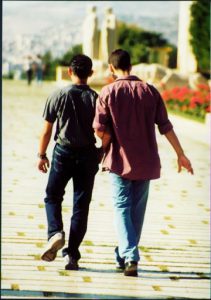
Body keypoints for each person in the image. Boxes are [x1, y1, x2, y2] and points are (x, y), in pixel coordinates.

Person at [93, 49, 194, 277]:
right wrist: (181, 154)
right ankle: (124, 254)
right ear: (131, 66)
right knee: (136, 212)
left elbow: (99, 129)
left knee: (121, 208)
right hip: (146, 161)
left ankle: (130, 256)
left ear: (111, 68)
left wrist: (104, 146)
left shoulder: (108, 92)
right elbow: (165, 126)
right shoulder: (150, 91)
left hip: (119, 161)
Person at [37, 54, 102, 270]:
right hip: (88, 154)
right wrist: (102, 151)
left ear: (69, 71)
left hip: (63, 152)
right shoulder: (96, 98)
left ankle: (55, 232)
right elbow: (104, 131)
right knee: (81, 206)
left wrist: (41, 155)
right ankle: (72, 254)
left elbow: (47, 130)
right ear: (91, 74)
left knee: (52, 196)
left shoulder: (58, 94)